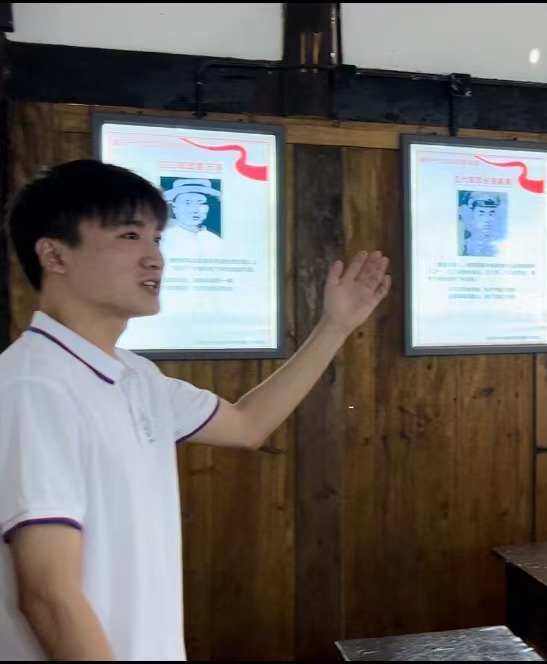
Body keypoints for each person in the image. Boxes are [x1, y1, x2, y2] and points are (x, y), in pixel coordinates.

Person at [0, 160, 390, 660]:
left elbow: (247, 424)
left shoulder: (135, 375)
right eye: (129, 236)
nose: (154, 258)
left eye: (157, 238)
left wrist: (334, 326)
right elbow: (49, 595)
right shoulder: (34, 386)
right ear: (54, 254)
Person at [159, 178, 224, 259]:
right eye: (187, 203)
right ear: (174, 207)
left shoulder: (216, 241)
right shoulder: (163, 238)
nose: (194, 210)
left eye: (201, 203)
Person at [461, 192, 501, 257]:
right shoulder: (462, 244)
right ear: (470, 214)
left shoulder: (498, 244)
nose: (487, 219)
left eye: (491, 213)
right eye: (481, 213)